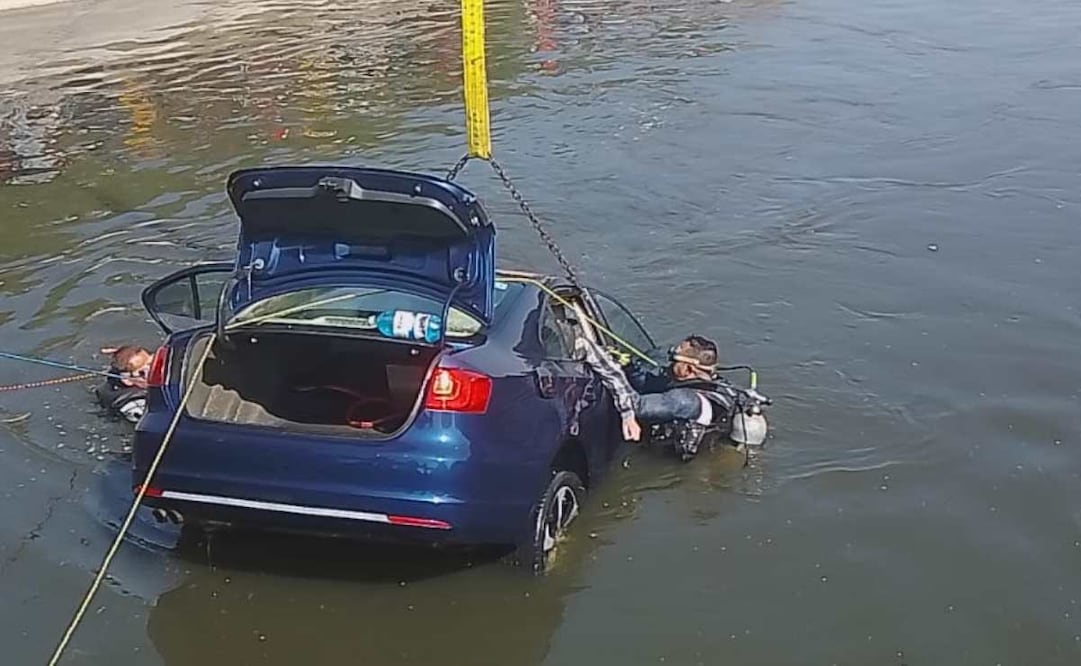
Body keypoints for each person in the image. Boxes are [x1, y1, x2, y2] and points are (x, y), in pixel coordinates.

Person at [575, 334, 742, 461]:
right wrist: (630, 367)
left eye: (674, 360)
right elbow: (650, 384)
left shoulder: (683, 400)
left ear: (688, 370)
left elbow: (635, 406)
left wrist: (606, 366)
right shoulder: (706, 383)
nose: (669, 364)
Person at [95, 345, 153, 423]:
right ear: (127, 380)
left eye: (152, 364)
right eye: (142, 373)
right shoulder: (137, 405)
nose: (152, 371)